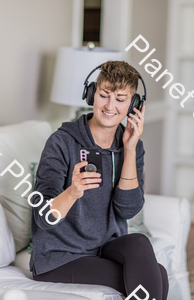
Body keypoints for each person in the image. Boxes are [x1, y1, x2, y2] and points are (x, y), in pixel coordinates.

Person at [30, 61, 168, 299]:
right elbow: (43, 217)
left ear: (134, 105)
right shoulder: (61, 142)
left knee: (141, 247)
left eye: (120, 99)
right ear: (92, 94)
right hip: (60, 256)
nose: (110, 106)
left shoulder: (133, 146)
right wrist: (72, 191)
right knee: (154, 277)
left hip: (103, 249)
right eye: (104, 95)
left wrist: (130, 150)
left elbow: (127, 210)